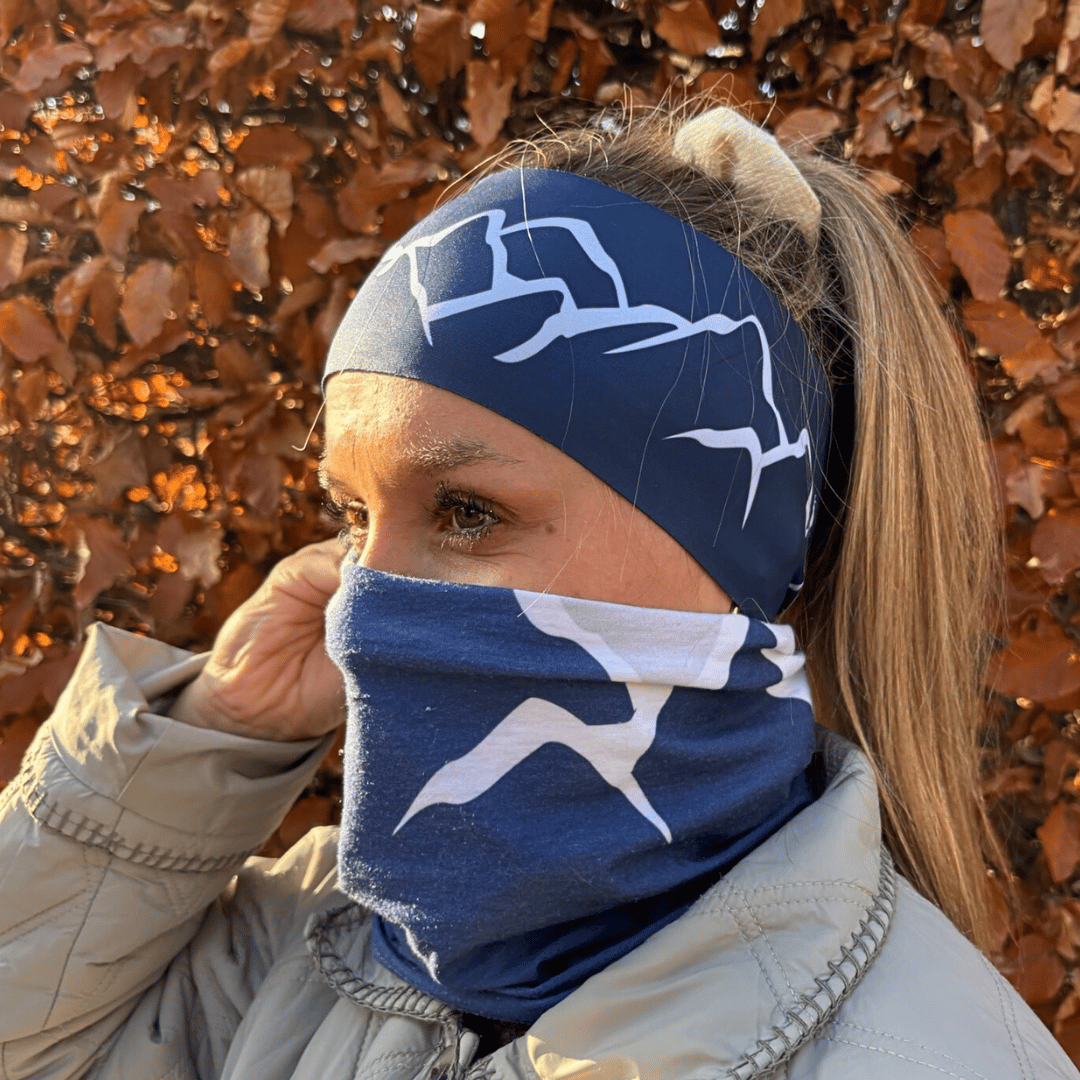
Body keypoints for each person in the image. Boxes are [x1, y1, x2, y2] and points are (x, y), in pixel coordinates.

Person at [0, 104, 1075, 1080]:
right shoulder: (304, 945)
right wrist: (208, 731)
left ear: (742, 562)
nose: (361, 605)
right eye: (352, 514)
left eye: (467, 512)